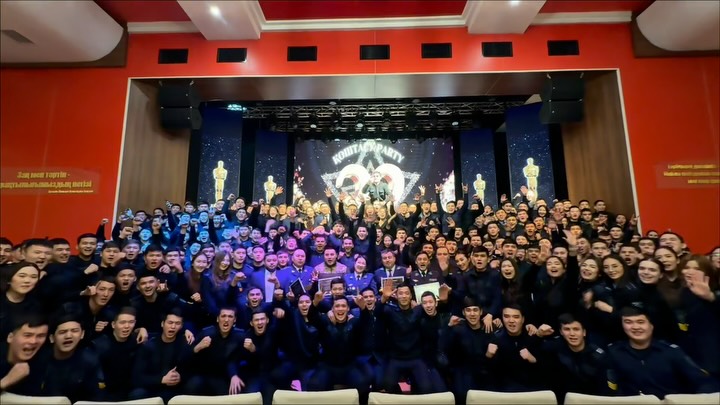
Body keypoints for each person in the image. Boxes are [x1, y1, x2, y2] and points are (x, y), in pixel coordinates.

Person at [607, 306, 718, 398]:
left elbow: (704, 381)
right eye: (628, 322)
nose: (635, 327)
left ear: (651, 326)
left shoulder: (671, 352)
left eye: (641, 322)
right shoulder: (614, 352)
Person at [542, 314, 612, 402]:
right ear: (561, 332)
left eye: (576, 329)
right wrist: (538, 335)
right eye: (567, 329)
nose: (572, 334)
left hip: (591, 400)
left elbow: (605, 390)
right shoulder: (554, 349)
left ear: (584, 332)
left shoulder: (598, 356)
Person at [130, 309, 193, 402]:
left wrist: (180, 378)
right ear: (162, 324)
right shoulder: (149, 345)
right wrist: (162, 379)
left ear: (181, 326)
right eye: (170, 322)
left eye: (177, 323)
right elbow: (137, 378)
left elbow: (191, 370)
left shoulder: (184, 343)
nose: (173, 326)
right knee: (137, 393)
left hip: (176, 390)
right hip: (152, 388)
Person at [91, 307, 142, 401]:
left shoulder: (137, 341)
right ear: (114, 324)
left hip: (129, 390)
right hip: (107, 391)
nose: (127, 326)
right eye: (122, 322)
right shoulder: (100, 344)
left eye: (131, 322)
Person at [0, 313, 48, 395]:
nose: (33, 341)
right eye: (27, 335)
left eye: (40, 336)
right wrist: (6, 381)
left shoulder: (45, 363)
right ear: (10, 337)